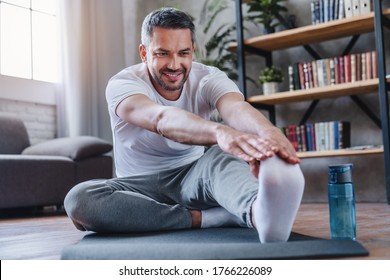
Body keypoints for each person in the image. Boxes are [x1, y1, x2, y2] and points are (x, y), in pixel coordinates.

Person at [64, 7, 305, 243]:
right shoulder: (123, 84)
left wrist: (269, 133)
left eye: (183, 53)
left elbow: (234, 108)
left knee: (223, 156)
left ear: (193, 52)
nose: (174, 64)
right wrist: (219, 132)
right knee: (79, 200)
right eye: (162, 53)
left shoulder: (208, 78)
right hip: (138, 189)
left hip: (195, 178)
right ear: (144, 53)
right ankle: (210, 218)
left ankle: (258, 211)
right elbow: (161, 119)